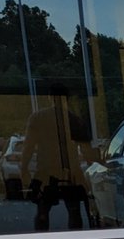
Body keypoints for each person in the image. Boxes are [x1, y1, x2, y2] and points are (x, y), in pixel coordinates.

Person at [21, 83, 93, 231]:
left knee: (42, 212)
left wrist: (24, 169)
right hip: (70, 173)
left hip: (46, 172)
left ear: (49, 97)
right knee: (74, 211)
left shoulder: (38, 118)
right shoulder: (74, 120)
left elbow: (28, 147)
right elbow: (87, 151)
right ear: (67, 99)